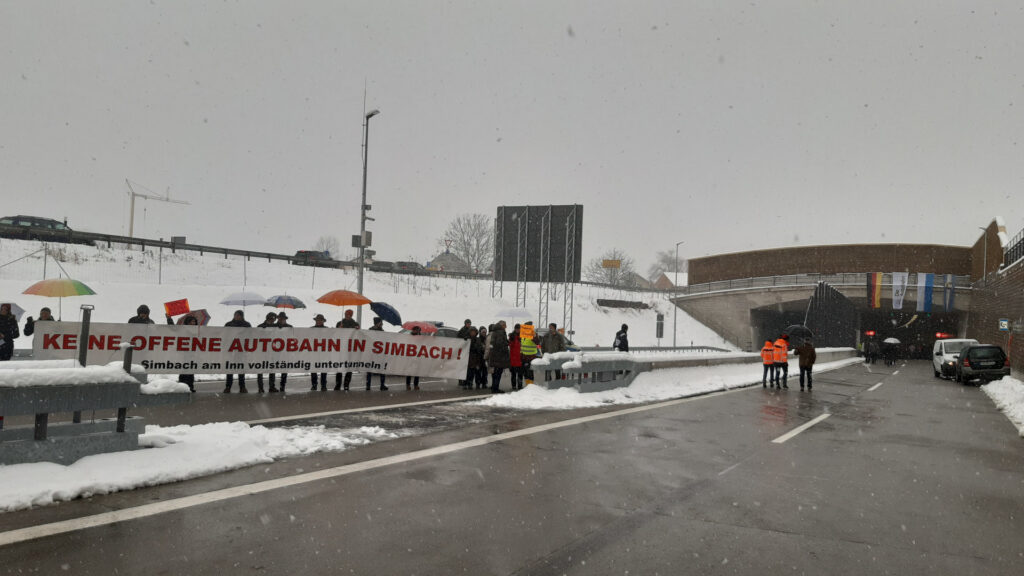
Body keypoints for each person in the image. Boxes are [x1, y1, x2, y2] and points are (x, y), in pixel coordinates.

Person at [166, 313, 199, 392]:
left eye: (194, 322)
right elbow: (173, 329)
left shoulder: (197, 330)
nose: (193, 323)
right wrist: (169, 319)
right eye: (191, 322)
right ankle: (182, 386)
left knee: (190, 370)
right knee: (183, 370)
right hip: (183, 353)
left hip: (192, 353)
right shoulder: (182, 329)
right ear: (187, 323)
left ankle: (190, 386)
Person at [224, 310, 251, 393]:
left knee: (241, 368)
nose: (237, 316)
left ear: (242, 316)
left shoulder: (247, 325)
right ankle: (228, 386)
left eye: (239, 315)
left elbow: (251, 335)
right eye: (236, 315)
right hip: (231, 349)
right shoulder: (229, 324)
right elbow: (224, 334)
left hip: (241, 350)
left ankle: (242, 386)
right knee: (230, 368)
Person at [335, 310, 359, 391]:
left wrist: (357, 329)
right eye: (345, 314)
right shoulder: (340, 323)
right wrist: (339, 328)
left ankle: (346, 384)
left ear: (351, 315)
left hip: (350, 349)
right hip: (341, 348)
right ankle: (338, 384)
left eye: (348, 314)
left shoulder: (355, 324)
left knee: (349, 367)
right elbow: (335, 333)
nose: (346, 315)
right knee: (339, 367)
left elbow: (358, 334)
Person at [256, 312, 279, 393]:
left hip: (272, 351)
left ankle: (271, 386)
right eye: (272, 319)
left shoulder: (276, 327)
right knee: (260, 369)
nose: (273, 320)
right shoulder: (260, 327)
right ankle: (260, 387)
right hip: (262, 351)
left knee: (272, 369)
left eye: (274, 319)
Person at [365, 316, 388, 391]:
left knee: (374, 370)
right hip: (374, 353)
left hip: (377, 353)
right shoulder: (374, 331)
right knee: (378, 370)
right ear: (378, 323)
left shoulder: (372, 330)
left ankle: (369, 386)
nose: (382, 324)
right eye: (381, 323)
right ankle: (380, 385)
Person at [273, 312, 292, 392]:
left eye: (282, 318)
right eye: (280, 318)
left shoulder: (290, 327)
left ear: (285, 319)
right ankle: (272, 385)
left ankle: (282, 385)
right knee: (272, 367)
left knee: (284, 368)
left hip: (285, 351)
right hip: (274, 350)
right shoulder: (273, 327)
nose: (281, 320)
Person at [489, 321, 510, 393]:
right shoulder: (501, 332)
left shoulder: (495, 332)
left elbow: (494, 343)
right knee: (498, 373)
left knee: (495, 373)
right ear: (502, 325)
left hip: (494, 356)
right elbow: (499, 344)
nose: (506, 327)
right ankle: (495, 388)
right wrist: (506, 344)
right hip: (499, 356)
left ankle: (494, 387)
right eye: (505, 325)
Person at [310, 314, 329, 390]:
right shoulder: (311, 329)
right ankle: (314, 384)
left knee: (324, 368)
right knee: (313, 369)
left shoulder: (327, 329)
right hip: (314, 352)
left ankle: (323, 384)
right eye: (317, 320)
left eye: (320, 320)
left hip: (324, 352)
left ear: (323, 321)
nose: (318, 321)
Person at [519, 322, 539, 387]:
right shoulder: (523, 335)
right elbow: (522, 345)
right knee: (525, 372)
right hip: (524, 356)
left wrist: (534, 335)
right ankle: (528, 386)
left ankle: (531, 386)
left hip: (531, 356)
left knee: (529, 372)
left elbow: (537, 342)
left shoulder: (533, 334)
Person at [457, 319, 474, 389]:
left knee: (468, 368)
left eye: (469, 323)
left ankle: (467, 381)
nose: (468, 324)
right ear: (465, 324)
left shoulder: (471, 329)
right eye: (467, 323)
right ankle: (460, 380)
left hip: (469, 350)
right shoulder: (462, 330)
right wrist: (463, 339)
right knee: (462, 366)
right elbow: (458, 338)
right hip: (464, 350)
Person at [405, 325, 423, 390]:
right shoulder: (410, 337)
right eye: (417, 330)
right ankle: (408, 385)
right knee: (409, 371)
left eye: (419, 330)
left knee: (417, 371)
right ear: (414, 330)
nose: (418, 331)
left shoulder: (420, 337)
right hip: (410, 356)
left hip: (417, 356)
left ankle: (416, 385)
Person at [508, 324, 523, 390]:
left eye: (518, 328)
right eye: (516, 328)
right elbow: (510, 345)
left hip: (520, 357)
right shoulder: (512, 336)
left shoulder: (523, 336)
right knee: (513, 374)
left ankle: (520, 385)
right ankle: (513, 386)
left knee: (520, 374)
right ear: (514, 329)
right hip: (513, 358)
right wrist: (512, 340)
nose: (517, 330)